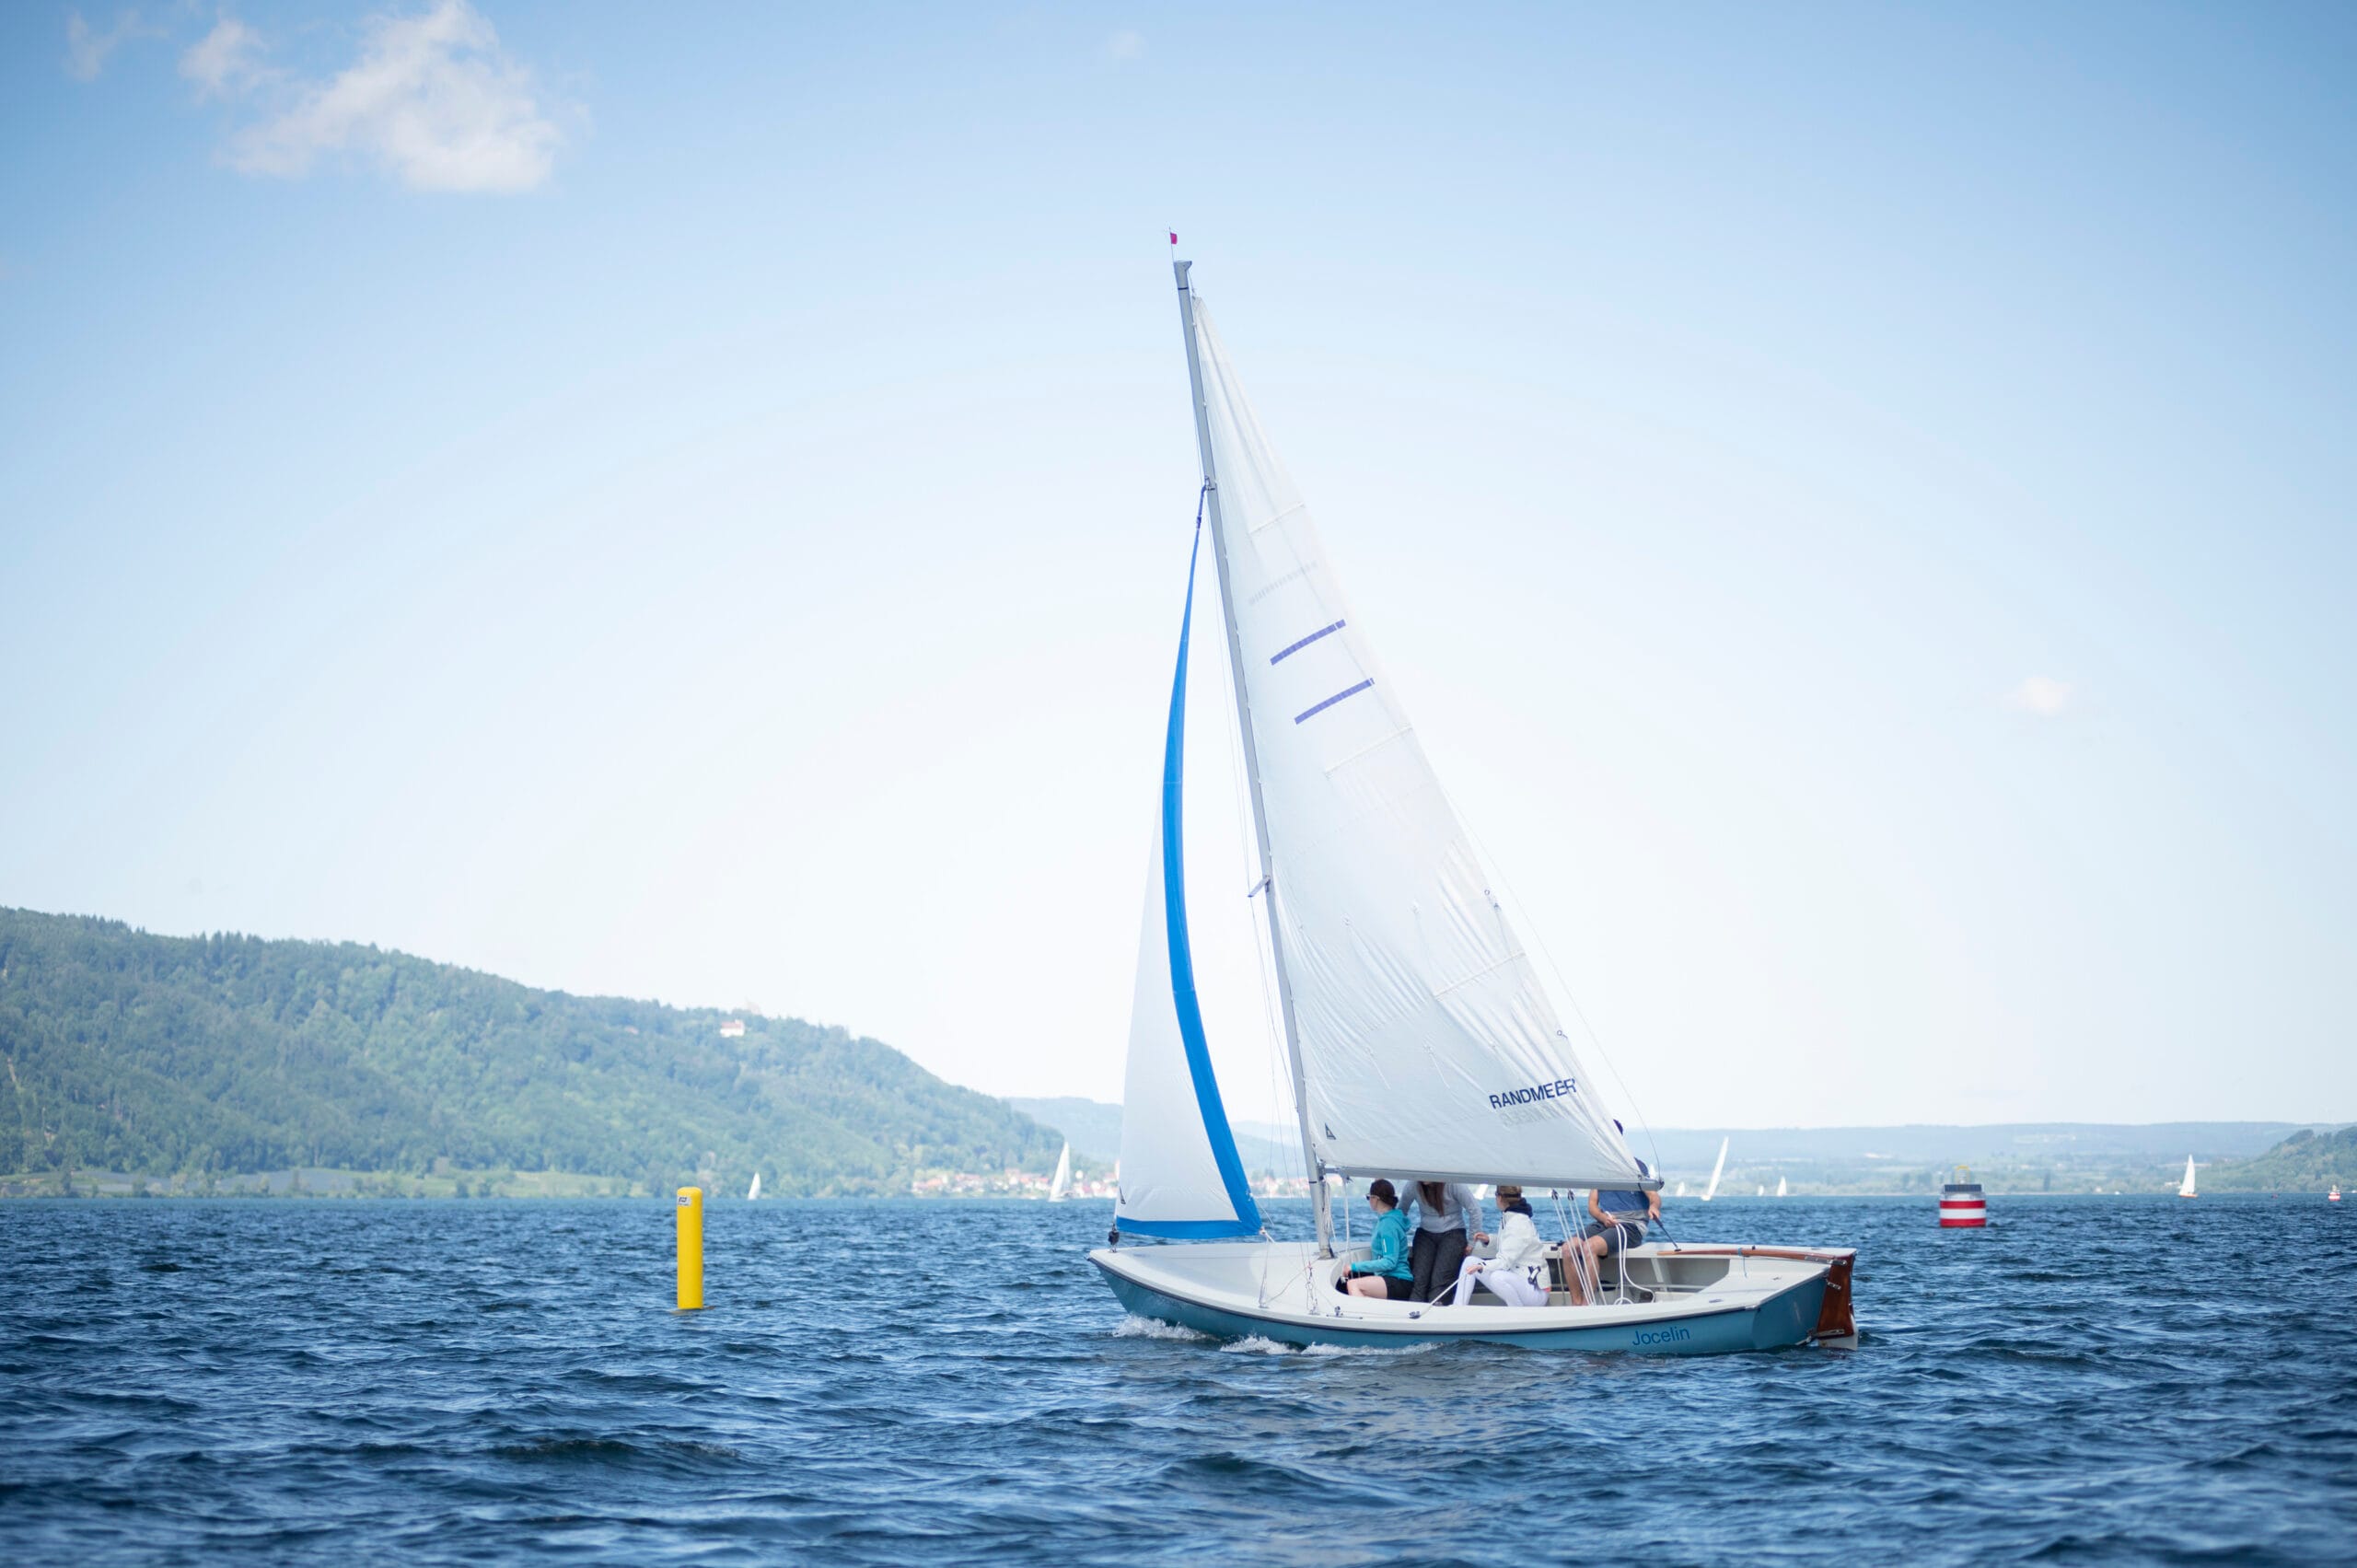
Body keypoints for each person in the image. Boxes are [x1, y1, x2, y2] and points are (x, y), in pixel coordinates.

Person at [1560, 1156, 1662, 1307]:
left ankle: (1587, 1304)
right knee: (1568, 1249)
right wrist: (1603, 1217)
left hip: (1631, 1226)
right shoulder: (1600, 1169)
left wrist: (1653, 1207)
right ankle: (1576, 1302)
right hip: (1605, 1221)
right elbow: (1592, 1206)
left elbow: (1654, 1196)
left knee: (1589, 1247)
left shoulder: (1635, 1167)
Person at [1446, 1184, 1550, 1307]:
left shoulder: (1518, 1223)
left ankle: (1518, 1312)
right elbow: (1511, 1243)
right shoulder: (1512, 1217)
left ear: (1500, 1198)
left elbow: (1505, 1261)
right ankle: (1459, 1307)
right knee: (1469, 1262)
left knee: (1497, 1277)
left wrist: (1481, 1266)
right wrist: (1489, 1240)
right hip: (1522, 1281)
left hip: (1535, 1291)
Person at [1397, 1178, 1482, 1303]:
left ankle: (1437, 1315)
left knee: (1440, 1281)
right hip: (1425, 1234)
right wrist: (1395, 1235)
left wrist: (1471, 1241)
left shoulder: (1454, 1183)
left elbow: (1475, 1211)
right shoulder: (1413, 1184)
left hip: (1453, 1234)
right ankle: (1413, 1314)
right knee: (1419, 1280)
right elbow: (1401, 1211)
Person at [1338, 1179, 1414, 1300]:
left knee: (1352, 1284)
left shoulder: (1388, 1225)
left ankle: (1362, 1317)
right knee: (1344, 1283)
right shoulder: (1389, 1220)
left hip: (1398, 1281)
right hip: (1391, 1279)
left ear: (1375, 1198)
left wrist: (1353, 1267)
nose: (1369, 1201)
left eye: (1368, 1197)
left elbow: (1389, 1262)